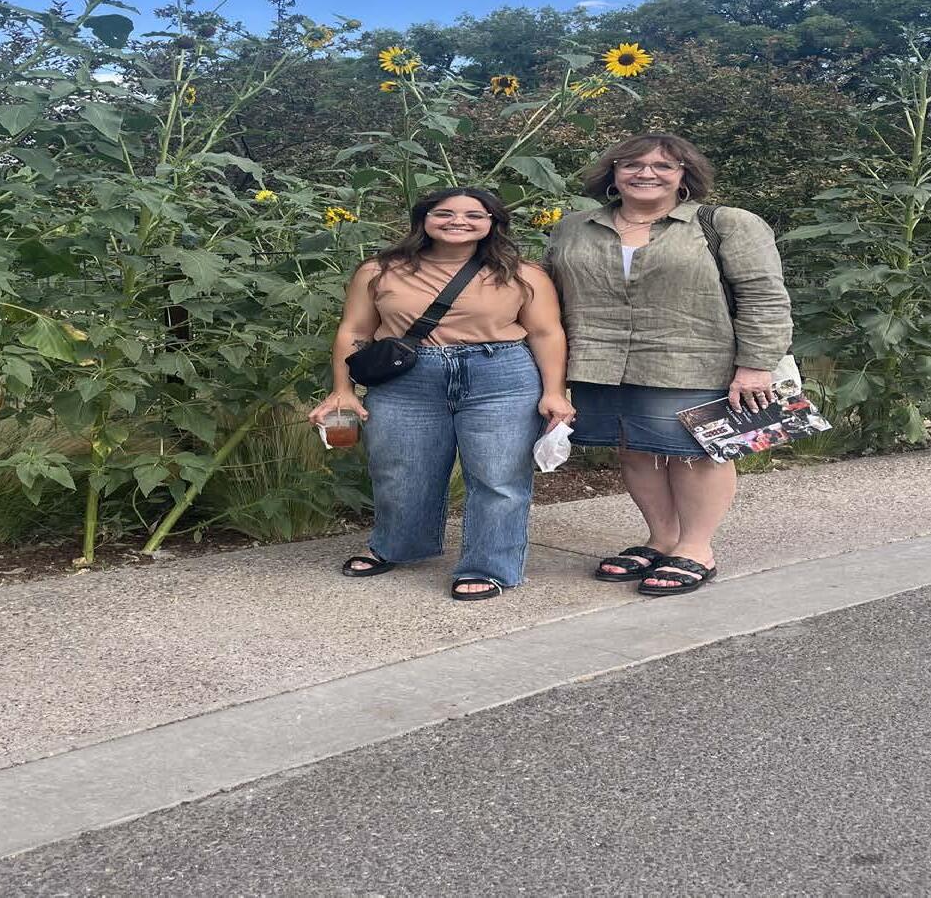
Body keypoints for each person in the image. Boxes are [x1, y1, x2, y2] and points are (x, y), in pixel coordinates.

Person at [545, 134, 791, 596]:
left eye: (663, 165)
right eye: (632, 164)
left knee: (698, 451)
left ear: (684, 175)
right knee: (634, 449)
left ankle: (696, 548)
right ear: (613, 172)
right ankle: (661, 539)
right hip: (599, 359)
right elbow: (549, 293)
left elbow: (764, 297)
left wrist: (756, 365)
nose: (646, 173)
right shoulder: (574, 227)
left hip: (694, 358)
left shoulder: (726, 223)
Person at [309, 187, 575, 601]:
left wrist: (554, 392)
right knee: (400, 471)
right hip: (407, 379)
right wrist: (342, 390)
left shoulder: (523, 273)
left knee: (499, 477)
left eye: (474, 215)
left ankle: (488, 566)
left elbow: (546, 332)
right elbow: (355, 330)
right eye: (445, 213)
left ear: (493, 222)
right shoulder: (379, 271)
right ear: (424, 218)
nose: (458, 221)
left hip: (500, 376)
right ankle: (396, 546)